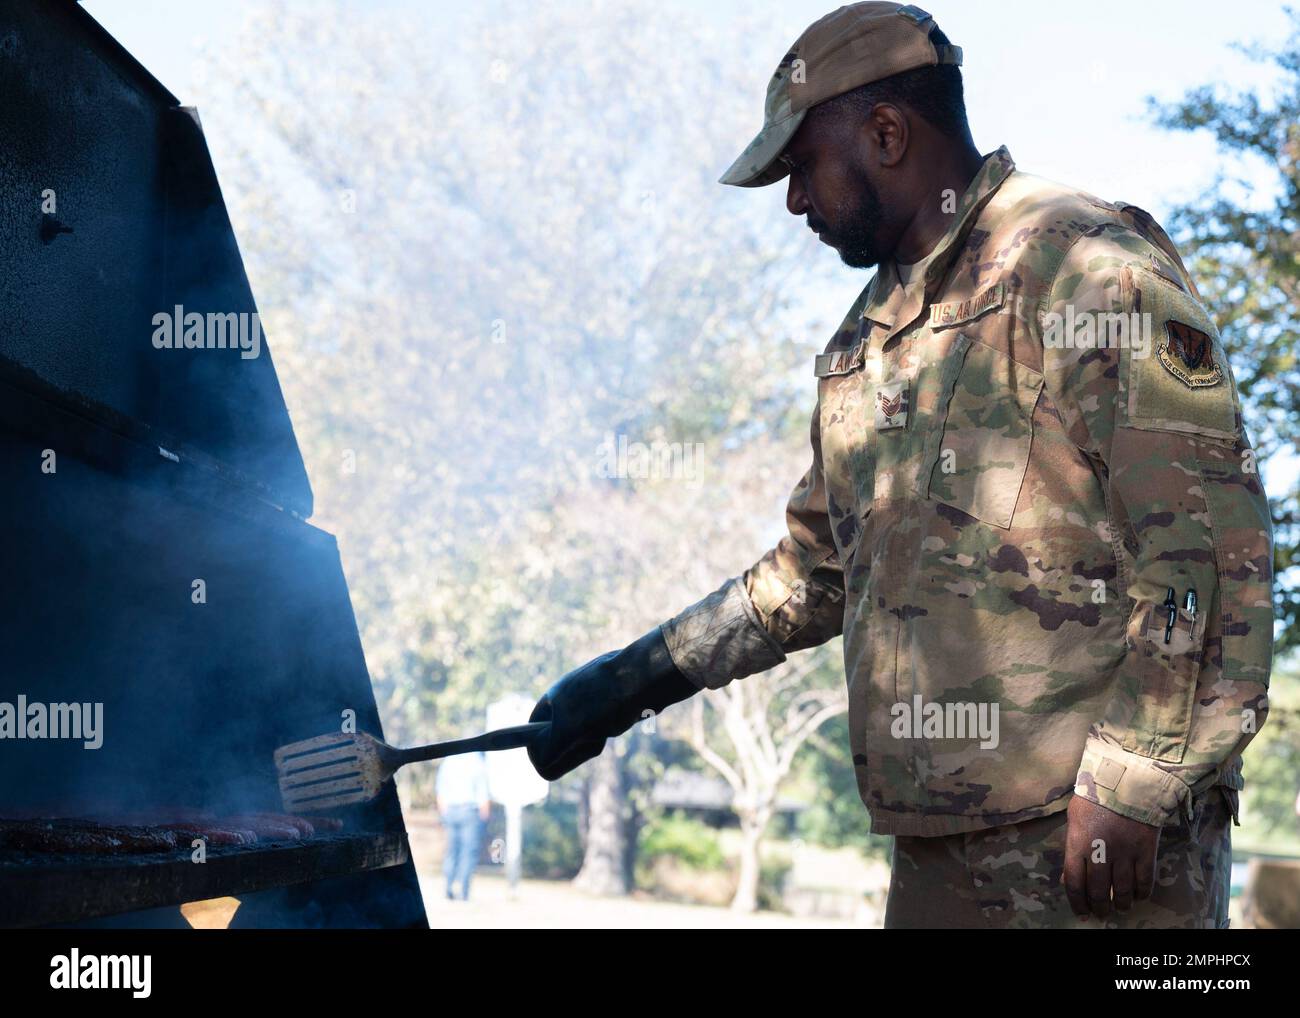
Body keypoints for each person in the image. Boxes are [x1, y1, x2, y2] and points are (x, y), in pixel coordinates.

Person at [526, 2, 1274, 928]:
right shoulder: (863, 345)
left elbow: (1210, 553)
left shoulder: (1084, 268)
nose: (795, 202)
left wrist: (1132, 780)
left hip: (1105, 855)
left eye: (801, 167)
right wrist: (636, 679)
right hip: (938, 850)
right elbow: (813, 576)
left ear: (885, 132)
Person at [435, 748, 491, 901]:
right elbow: (483, 793)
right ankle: (464, 892)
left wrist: (443, 814)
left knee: (451, 851)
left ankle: (448, 887)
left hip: (450, 812)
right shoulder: (477, 761)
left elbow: (440, 791)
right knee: (468, 853)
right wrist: (485, 819)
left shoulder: (448, 761)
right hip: (470, 812)